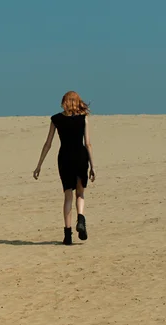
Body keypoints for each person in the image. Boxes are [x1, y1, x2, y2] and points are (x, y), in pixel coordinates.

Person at [33, 91, 96, 245]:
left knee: (68, 195)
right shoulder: (83, 119)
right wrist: (92, 166)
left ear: (64, 102)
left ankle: (67, 235)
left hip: (65, 158)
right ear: (78, 101)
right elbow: (87, 143)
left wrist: (39, 165)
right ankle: (80, 219)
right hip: (80, 156)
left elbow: (48, 143)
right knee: (80, 193)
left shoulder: (56, 119)